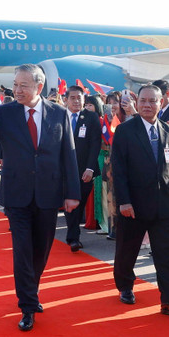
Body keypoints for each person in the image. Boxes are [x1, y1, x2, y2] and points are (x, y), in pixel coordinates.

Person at [0, 64, 80, 332]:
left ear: (39, 87)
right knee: (23, 250)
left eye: (23, 85)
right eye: (15, 84)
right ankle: (27, 305)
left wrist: (72, 193)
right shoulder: (6, 112)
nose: (17, 90)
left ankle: (30, 291)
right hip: (17, 194)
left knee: (41, 251)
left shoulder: (59, 113)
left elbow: (69, 155)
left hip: (48, 195)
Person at [110, 84, 169, 318]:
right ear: (137, 103)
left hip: (163, 206)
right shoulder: (125, 130)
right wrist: (124, 201)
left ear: (160, 103)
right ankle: (125, 286)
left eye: (152, 101)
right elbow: (119, 170)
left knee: (166, 255)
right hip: (133, 205)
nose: (147, 105)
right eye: (143, 100)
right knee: (127, 251)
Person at [63, 85, 101, 252]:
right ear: (66, 100)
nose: (76, 101)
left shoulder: (91, 117)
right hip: (64, 170)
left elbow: (95, 144)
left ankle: (73, 233)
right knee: (69, 202)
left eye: (79, 98)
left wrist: (90, 168)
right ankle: (73, 237)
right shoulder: (60, 116)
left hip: (85, 170)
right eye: (73, 98)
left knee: (80, 202)